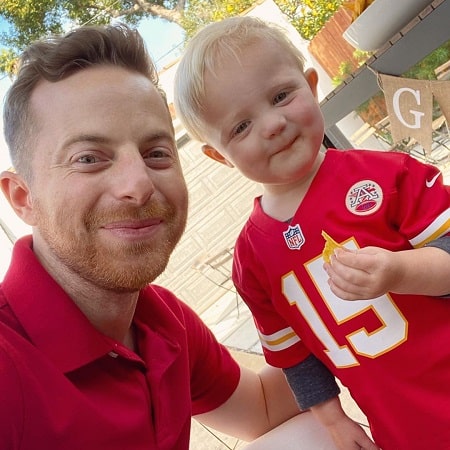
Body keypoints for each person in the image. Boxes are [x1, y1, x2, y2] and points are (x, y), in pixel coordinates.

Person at [0, 23, 343, 450]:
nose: (139, 184)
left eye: (156, 153)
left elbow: (262, 408)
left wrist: (363, 301)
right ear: (22, 197)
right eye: (88, 158)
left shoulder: (159, 318)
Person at [173, 15, 450, 450]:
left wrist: (400, 270)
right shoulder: (252, 259)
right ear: (218, 154)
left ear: (311, 85)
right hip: (405, 428)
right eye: (241, 126)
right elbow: (294, 356)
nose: (272, 125)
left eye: (281, 96)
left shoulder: (386, 174)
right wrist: (335, 422)